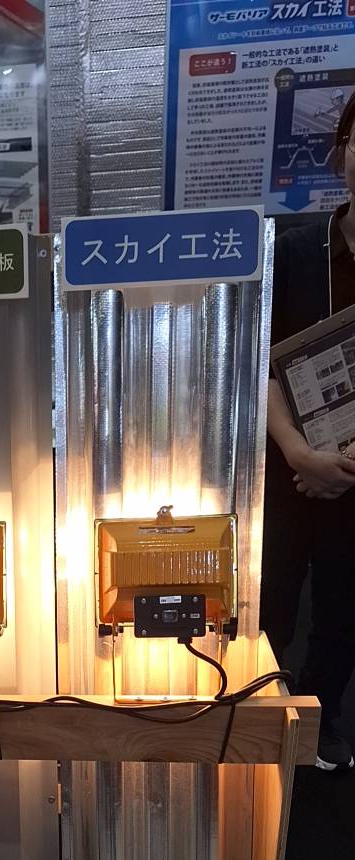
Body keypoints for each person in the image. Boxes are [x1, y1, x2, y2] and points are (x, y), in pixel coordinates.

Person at [262, 88, 355, 770]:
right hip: (287, 468)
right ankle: (261, 715)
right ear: (343, 149)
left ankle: (319, 722)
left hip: (352, 478)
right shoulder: (296, 251)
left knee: (345, 611)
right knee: (270, 601)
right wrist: (299, 451)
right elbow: (259, 363)